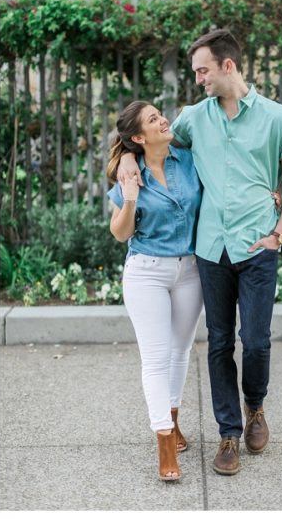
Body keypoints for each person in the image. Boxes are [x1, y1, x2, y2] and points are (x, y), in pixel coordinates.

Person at [117, 29, 282, 476]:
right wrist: (126, 159)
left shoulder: (278, 118)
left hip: (258, 244)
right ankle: (228, 434)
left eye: (203, 70)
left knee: (256, 341)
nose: (198, 79)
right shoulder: (191, 118)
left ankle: (254, 407)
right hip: (209, 249)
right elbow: (150, 147)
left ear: (228, 66)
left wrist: (279, 232)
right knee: (219, 342)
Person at [107, 101, 203, 482]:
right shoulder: (130, 174)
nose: (162, 120)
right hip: (146, 272)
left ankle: (174, 420)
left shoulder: (188, 160)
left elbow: (194, 114)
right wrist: (130, 195)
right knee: (156, 358)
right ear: (137, 138)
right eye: (152, 119)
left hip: (191, 269)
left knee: (181, 351)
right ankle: (164, 439)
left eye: (159, 114)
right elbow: (120, 233)